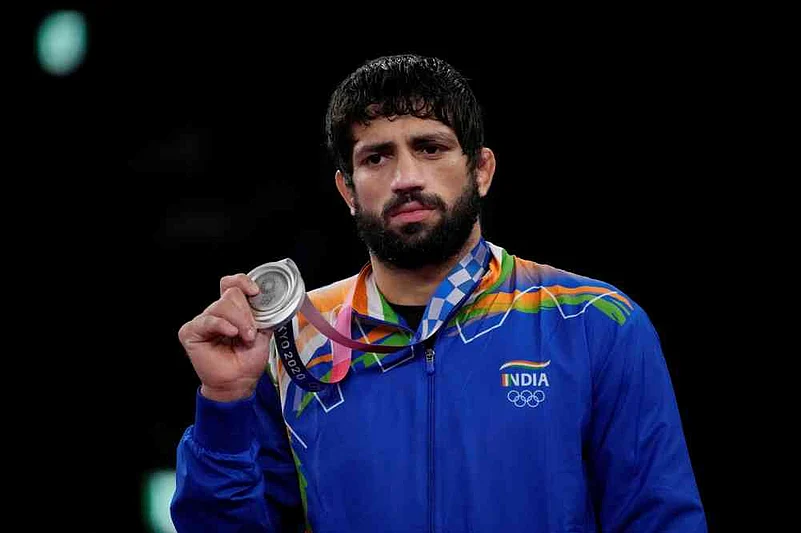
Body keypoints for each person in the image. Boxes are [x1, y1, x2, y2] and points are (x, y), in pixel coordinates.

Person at [170, 54, 707, 532]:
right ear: (347, 189)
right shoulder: (289, 345)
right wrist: (224, 402)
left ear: (481, 170)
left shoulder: (594, 322)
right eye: (376, 157)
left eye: (430, 148)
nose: (406, 177)